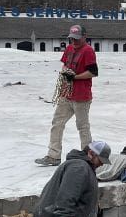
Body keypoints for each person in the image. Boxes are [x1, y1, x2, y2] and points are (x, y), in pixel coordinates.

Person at [36, 24, 98, 166]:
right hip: (66, 94)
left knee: (82, 126)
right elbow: (64, 64)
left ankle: (88, 157)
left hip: (81, 96)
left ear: (84, 37)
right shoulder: (69, 48)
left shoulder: (88, 51)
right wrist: (66, 72)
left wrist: (74, 77)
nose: (74, 42)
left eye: (77, 39)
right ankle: (53, 156)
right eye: (72, 39)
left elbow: (93, 72)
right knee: (57, 123)